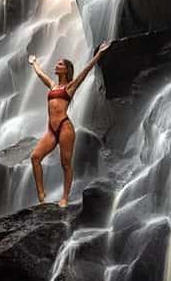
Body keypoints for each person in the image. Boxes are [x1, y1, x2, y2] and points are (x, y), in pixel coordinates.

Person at [27, 41, 111, 207]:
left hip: (65, 127)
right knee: (35, 157)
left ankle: (65, 197)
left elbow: (85, 71)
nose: (56, 65)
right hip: (51, 130)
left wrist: (99, 54)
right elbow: (41, 74)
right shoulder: (53, 86)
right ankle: (41, 195)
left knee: (65, 164)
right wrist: (34, 63)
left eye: (60, 64)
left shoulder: (70, 87)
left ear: (66, 70)